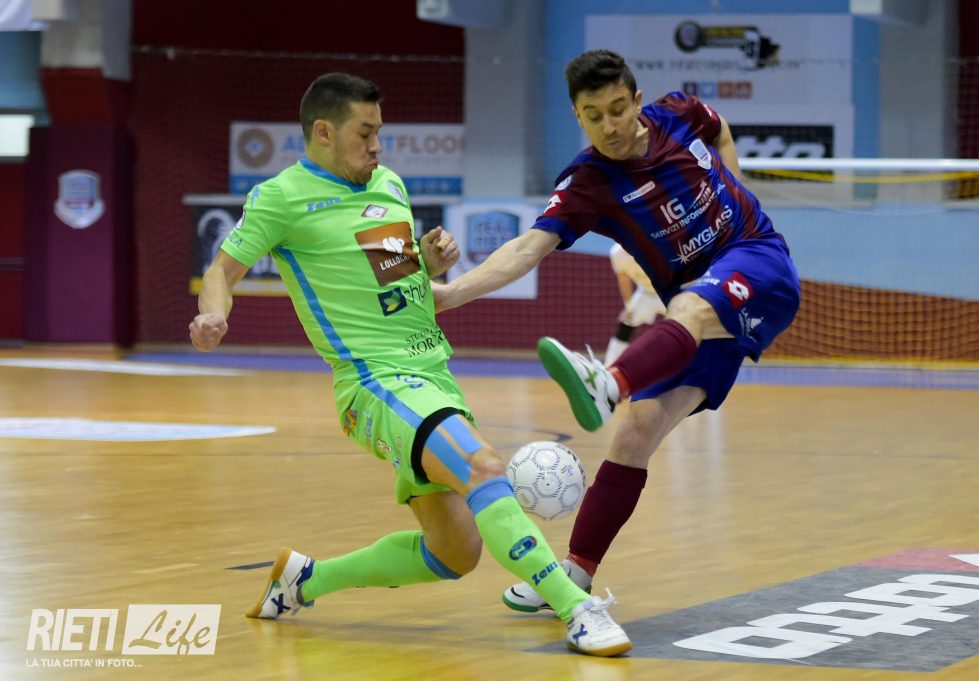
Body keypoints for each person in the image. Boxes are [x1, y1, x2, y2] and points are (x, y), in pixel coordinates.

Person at [188, 72, 631, 657]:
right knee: (482, 466)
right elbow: (221, 271)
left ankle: (304, 581)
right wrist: (212, 315)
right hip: (375, 382)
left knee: (454, 553)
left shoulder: (388, 184)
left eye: (380, 132)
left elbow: (394, 278)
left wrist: (426, 261)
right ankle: (577, 607)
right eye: (364, 133)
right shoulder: (282, 197)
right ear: (324, 132)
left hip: (434, 374)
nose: (377, 146)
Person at [433, 50, 800, 612]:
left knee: (688, 309)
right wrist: (453, 293)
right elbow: (528, 248)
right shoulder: (589, 181)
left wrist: (738, 189)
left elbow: (720, 129)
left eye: (618, 109)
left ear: (637, 100)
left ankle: (609, 382)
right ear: (577, 116)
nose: (609, 125)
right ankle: (575, 575)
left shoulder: (680, 114)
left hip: (757, 260)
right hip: (697, 313)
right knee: (635, 433)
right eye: (594, 115)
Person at [604, 242, 665, 365]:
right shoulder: (617, 254)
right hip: (645, 293)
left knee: (687, 321)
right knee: (626, 322)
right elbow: (624, 281)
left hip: (667, 290)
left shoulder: (651, 242)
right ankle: (609, 367)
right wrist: (629, 307)